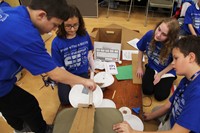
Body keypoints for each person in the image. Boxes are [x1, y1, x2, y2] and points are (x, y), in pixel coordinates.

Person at [0, 0, 96, 133]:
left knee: (12, 106)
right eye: (55, 24)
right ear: (41, 15)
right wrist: (84, 81)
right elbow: (54, 73)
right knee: (29, 105)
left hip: (5, 78)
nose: (55, 29)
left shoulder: (14, 10)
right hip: (2, 84)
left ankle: (18, 127)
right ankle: (35, 130)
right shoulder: (27, 36)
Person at [113, 35, 200, 133]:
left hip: (177, 129)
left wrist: (133, 131)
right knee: (155, 110)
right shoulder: (187, 79)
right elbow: (169, 104)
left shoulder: (197, 94)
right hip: (174, 115)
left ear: (191, 57)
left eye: (176, 58)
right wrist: (151, 116)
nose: (173, 63)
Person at [51, 5, 94, 106]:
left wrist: (92, 70)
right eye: (68, 25)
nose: (72, 29)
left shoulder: (84, 35)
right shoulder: (56, 43)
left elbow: (89, 53)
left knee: (88, 94)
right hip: (66, 75)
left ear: (80, 22)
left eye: (75, 25)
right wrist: (71, 82)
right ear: (61, 24)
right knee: (65, 101)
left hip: (82, 72)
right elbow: (60, 67)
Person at [136, 18, 180, 101]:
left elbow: (174, 63)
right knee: (147, 90)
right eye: (159, 29)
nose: (158, 34)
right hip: (152, 66)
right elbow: (141, 49)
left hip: (167, 71)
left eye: (164, 34)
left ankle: (171, 79)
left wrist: (160, 75)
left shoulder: (175, 44)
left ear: (170, 37)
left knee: (160, 96)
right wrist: (139, 67)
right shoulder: (150, 34)